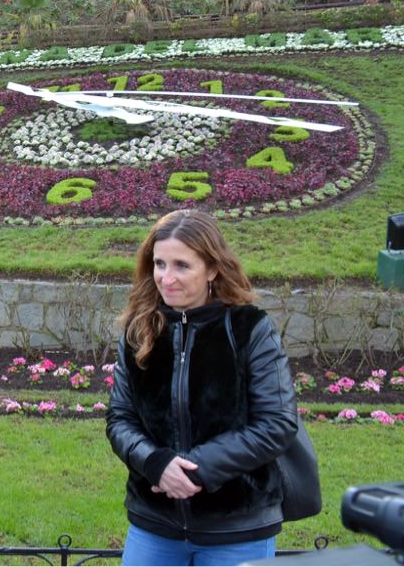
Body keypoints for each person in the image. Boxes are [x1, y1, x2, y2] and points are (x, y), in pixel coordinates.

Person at [105, 209, 298, 566]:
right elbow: (120, 419)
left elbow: (277, 423)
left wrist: (196, 468)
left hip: (237, 526)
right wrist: (156, 463)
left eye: (182, 265)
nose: (167, 278)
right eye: (159, 264)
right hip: (155, 525)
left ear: (212, 268)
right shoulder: (139, 330)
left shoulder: (249, 329)